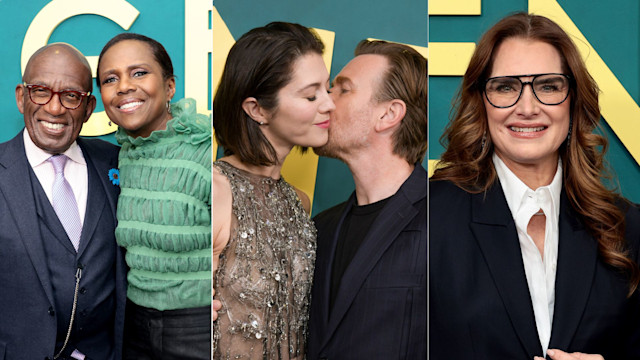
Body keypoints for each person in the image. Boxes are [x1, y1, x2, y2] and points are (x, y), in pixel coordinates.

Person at [429, 13, 640, 360]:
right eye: (506, 87)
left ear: (574, 99)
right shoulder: (431, 217)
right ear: (481, 101)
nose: (527, 108)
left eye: (548, 86)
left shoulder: (628, 227)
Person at [212, 22, 334, 359]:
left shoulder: (298, 201)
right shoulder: (215, 190)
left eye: (329, 88)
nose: (329, 105)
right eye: (311, 95)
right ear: (257, 109)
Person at [0, 43, 127, 360]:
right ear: (21, 97)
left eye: (71, 96)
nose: (54, 108)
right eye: (41, 91)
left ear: (88, 107)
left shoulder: (118, 163)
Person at [307, 40, 427, 359]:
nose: (325, 101)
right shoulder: (320, 228)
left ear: (388, 114)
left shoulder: (445, 221)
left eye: (342, 90)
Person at [96, 33, 212, 359]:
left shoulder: (206, 148)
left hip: (199, 327)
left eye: (139, 73)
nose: (123, 86)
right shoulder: (122, 155)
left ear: (170, 86)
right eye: (110, 79)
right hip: (133, 326)